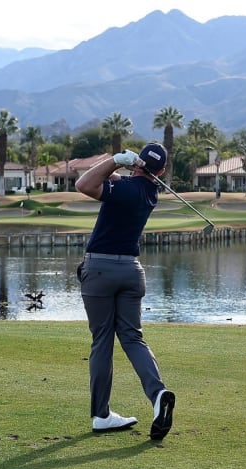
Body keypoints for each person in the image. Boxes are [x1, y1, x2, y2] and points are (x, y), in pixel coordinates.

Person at [74, 142, 175, 440]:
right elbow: (114, 180)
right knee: (132, 337)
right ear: (162, 171)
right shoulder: (148, 193)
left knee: (102, 340)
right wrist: (121, 168)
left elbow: (84, 183)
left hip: (101, 270)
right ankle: (158, 395)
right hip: (132, 272)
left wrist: (116, 160)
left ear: (138, 163)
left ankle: (102, 415)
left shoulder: (128, 188)